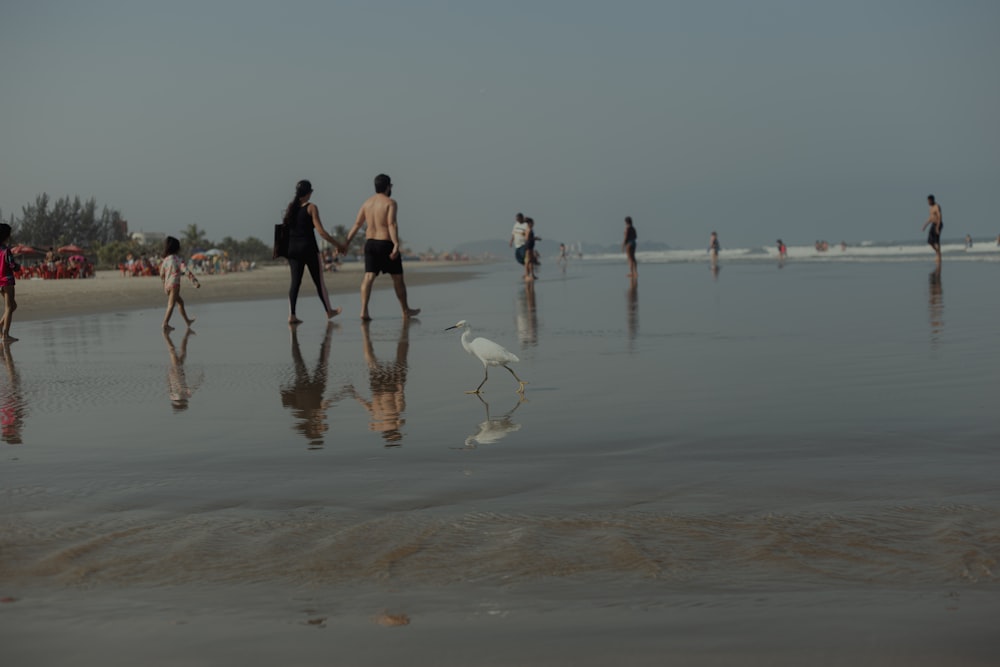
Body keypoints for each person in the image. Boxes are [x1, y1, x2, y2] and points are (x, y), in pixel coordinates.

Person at [342, 174, 420, 321]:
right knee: (397, 278)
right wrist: (396, 243)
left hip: (370, 243)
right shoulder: (390, 203)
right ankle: (405, 310)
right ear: (387, 186)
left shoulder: (366, 203)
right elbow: (391, 224)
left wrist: (346, 242)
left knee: (368, 277)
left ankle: (364, 311)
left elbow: (357, 224)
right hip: (385, 243)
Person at [282, 179, 343, 324]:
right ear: (309, 192)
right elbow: (321, 232)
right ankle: (329, 311)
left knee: (295, 282)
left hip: (292, 250)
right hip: (308, 249)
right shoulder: (311, 207)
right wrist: (337, 244)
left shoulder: (291, 208)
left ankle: (292, 315)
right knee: (319, 282)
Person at [159, 236, 200, 331]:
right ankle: (165, 323)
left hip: (167, 285)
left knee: (180, 302)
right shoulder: (177, 259)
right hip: (175, 285)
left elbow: (161, 274)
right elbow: (186, 270)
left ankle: (187, 321)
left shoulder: (165, 260)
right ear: (176, 248)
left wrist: (164, 285)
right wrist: (194, 281)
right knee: (171, 305)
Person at [0, 224, 19, 342]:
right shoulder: (6, 250)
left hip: (0, 281)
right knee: (9, 307)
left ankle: (1, 325)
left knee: (13, 306)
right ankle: (5, 335)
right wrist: (18, 266)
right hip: (7, 280)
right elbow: (11, 265)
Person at [921, 194, 943, 264]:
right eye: (928, 201)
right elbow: (930, 218)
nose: (928, 202)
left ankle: (938, 256)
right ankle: (937, 252)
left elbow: (939, 216)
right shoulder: (930, 208)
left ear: (932, 200)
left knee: (936, 241)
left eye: (929, 201)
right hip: (933, 224)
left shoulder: (937, 206)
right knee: (930, 241)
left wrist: (937, 227)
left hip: (938, 224)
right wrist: (925, 225)